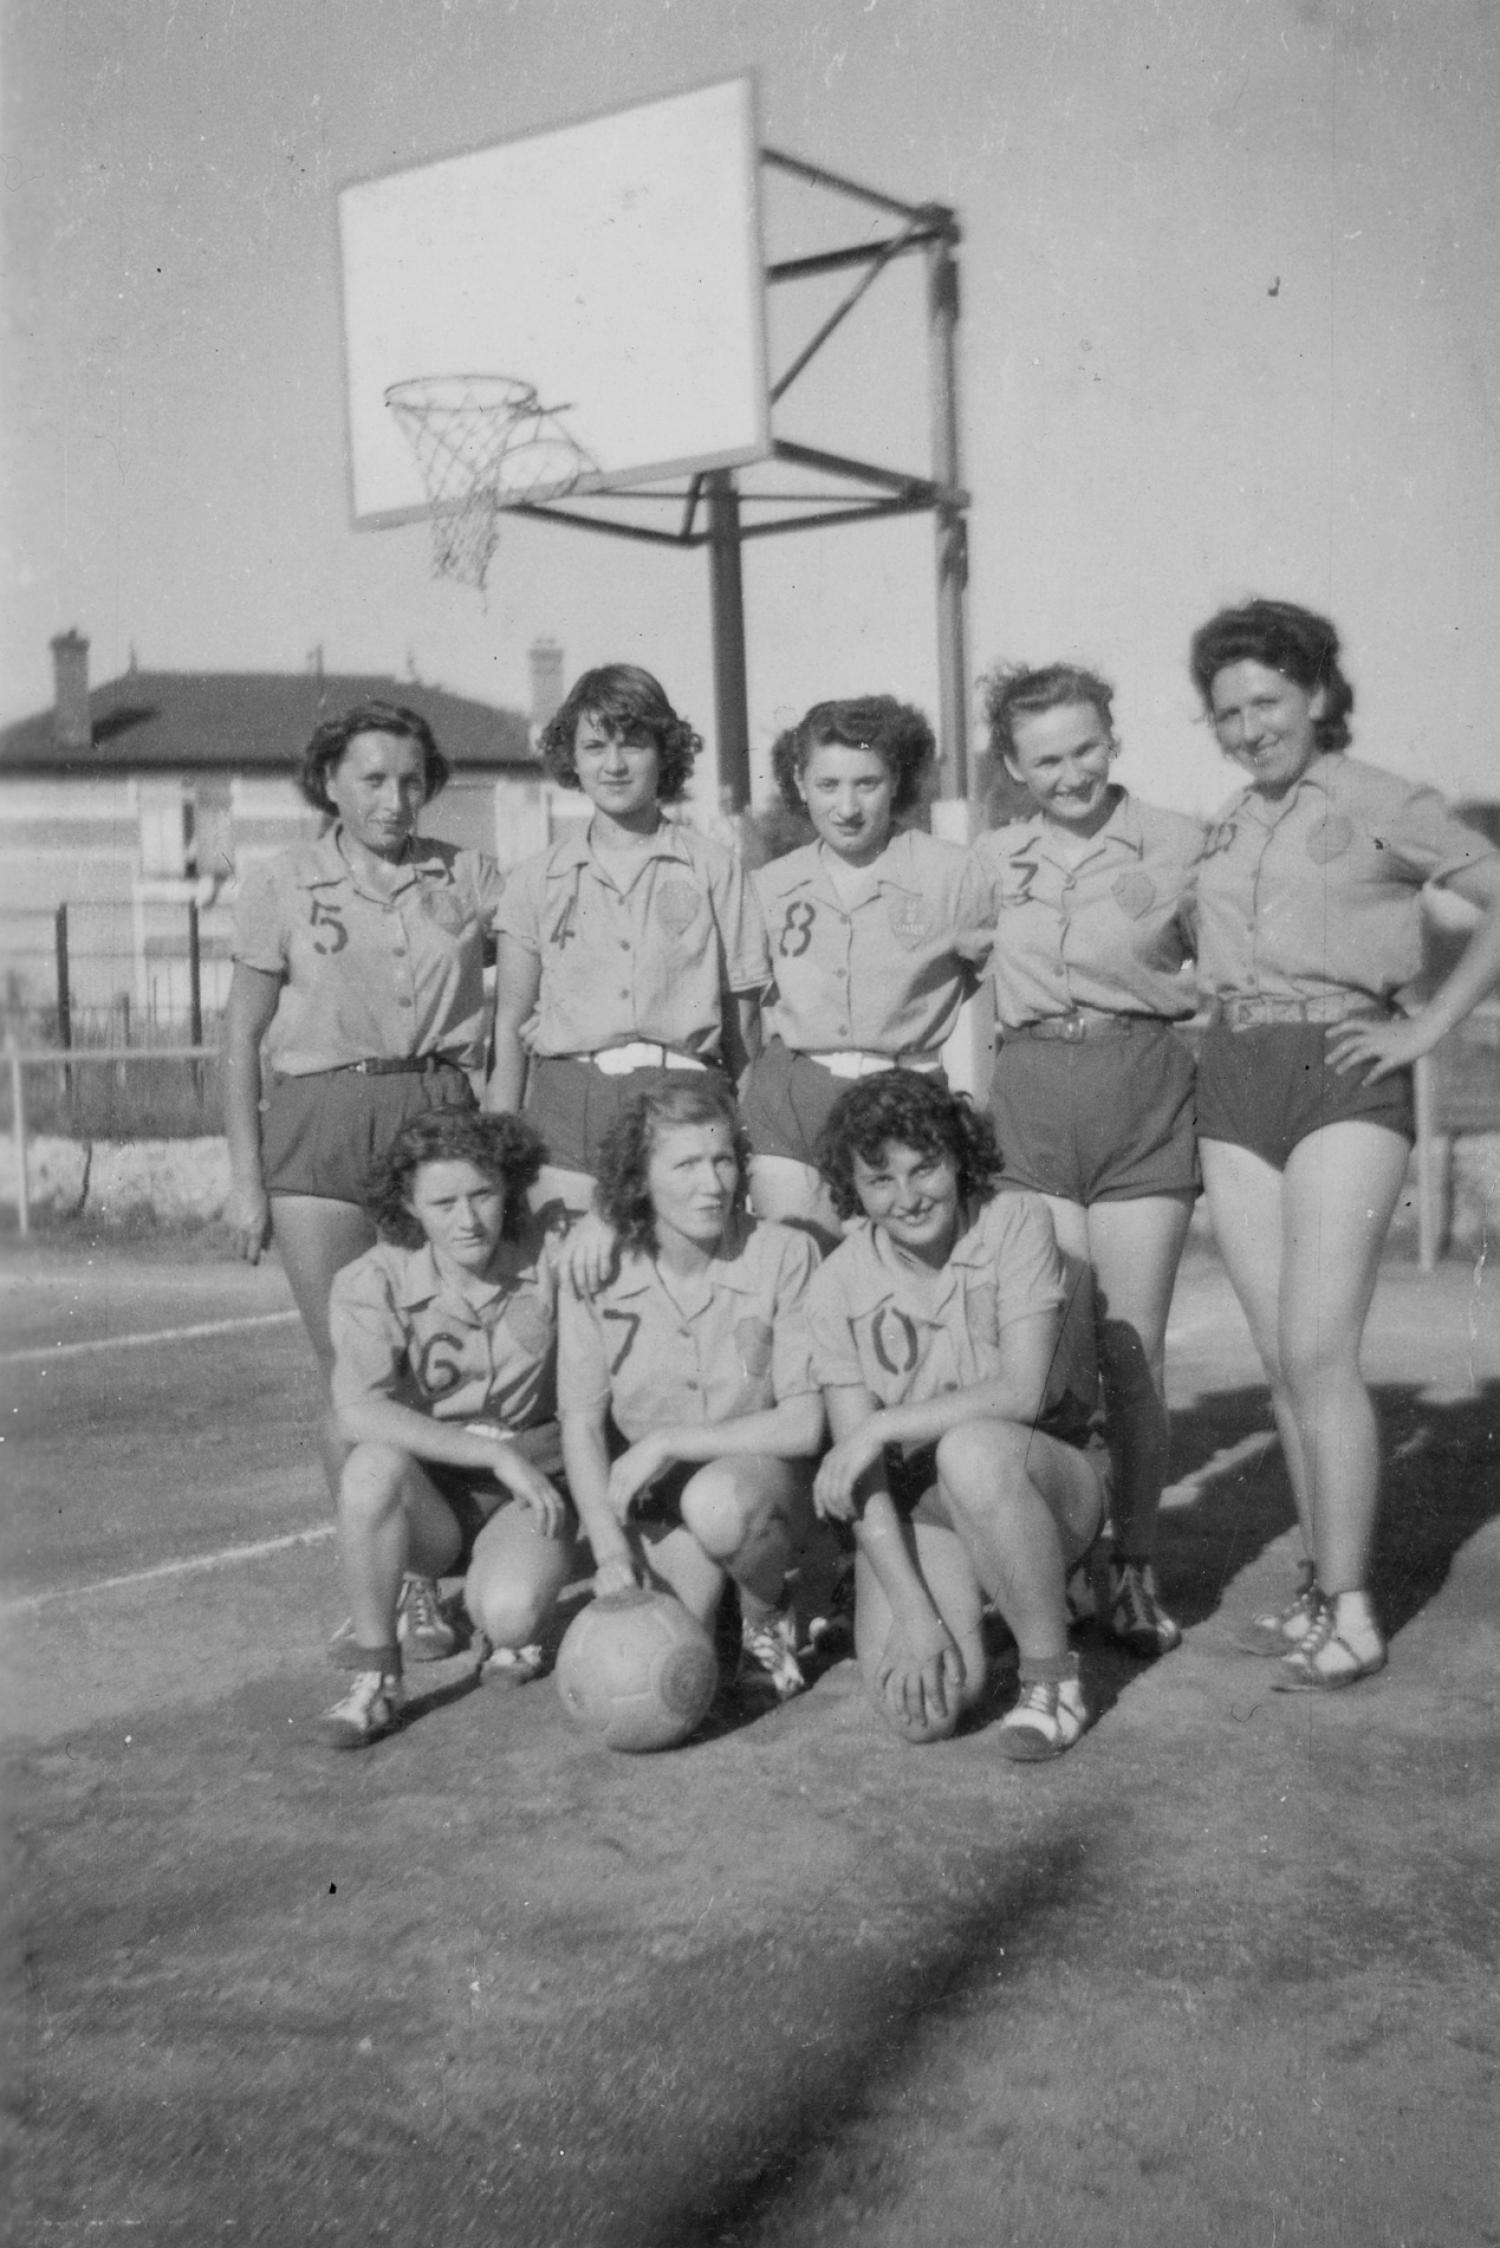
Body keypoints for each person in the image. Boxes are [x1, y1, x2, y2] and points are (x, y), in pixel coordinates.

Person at [1188, 598, 1500, 1688]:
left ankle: (1357, 1611)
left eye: (1266, 701)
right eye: (1226, 711)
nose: (1247, 726)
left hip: (1343, 1073)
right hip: (1234, 1076)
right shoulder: (1224, 820)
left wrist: (1426, 1024)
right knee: (1280, 1356)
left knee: (1322, 1350)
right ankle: (1321, 1586)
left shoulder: (1382, 801)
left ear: (1317, 693)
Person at [223, 699, 505, 1661]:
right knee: (350, 1372)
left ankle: (429, 1575)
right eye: (373, 778)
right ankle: (387, 1590)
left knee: (432, 1358)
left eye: (411, 779)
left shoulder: (469, 876)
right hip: (319, 1127)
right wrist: (247, 1176)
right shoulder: (282, 881)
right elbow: (240, 1037)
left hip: (437, 1116)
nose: (394, 798)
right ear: (330, 783)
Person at [974, 664, 1204, 1657]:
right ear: (1015, 768)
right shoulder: (986, 859)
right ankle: (1062, 1563)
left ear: (1112, 736)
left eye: (1085, 748)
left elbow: (1239, 964)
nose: (1070, 773)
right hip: (1030, 1096)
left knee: (1131, 1351)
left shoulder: (1181, 843)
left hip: (1140, 1086)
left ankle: (1136, 1566)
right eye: (1046, 759)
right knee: (1056, 1349)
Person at [806, 1073, 1109, 1759]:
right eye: (880, 1180)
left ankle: (1050, 1679)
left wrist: (883, 1426)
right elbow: (863, 1480)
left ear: (959, 1154)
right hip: (926, 1507)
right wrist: (914, 1613)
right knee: (923, 1711)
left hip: (1041, 1482)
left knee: (968, 1449)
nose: (909, 1198)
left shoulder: (1016, 1220)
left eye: (926, 1167)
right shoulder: (835, 1284)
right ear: (853, 1187)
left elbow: (1024, 1391)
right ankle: (990, 1605)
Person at [557, 1077, 825, 1701]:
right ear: (639, 1176)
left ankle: (769, 1614)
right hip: (661, 1502)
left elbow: (805, 1424)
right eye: (686, 1165)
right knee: (664, 1668)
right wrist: (607, 1552)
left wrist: (671, 1441)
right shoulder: (595, 1269)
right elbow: (580, 1423)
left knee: (719, 1504)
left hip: (764, 1486)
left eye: (723, 1160)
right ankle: (725, 1600)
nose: (713, 1185)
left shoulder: (783, 1253)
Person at [318, 1108, 574, 1749]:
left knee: (511, 1615)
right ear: (408, 1204)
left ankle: (510, 1614)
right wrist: (487, 1456)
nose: (468, 1220)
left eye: (483, 1194)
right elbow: (359, 1412)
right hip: (436, 1498)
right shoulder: (372, 1279)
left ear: (509, 1188)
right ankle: (379, 1675)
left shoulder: (552, 1256)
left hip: (531, 1479)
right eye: (444, 1202)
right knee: (369, 1461)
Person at [488, 664, 769, 1209]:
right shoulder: (535, 879)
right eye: (594, 746)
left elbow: (745, 1028)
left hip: (687, 1097)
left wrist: (747, 1135)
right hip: (571, 1104)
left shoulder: (713, 868)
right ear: (572, 756)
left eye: (633, 744)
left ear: (665, 752)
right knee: (577, 1276)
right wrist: (499, 1149)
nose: (613, 765)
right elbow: (509, 1021)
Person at [743, 694, 995, 1246]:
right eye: (828, 785)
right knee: (800, 1276)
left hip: (904, 1096)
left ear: (896, 779)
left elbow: (998, 978)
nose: (848, 807)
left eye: (868, 783)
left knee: (901, 1285)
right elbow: (748, 1008)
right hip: (793, 1102)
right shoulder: (770, 885)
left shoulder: (951, 874)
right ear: (800, 781)